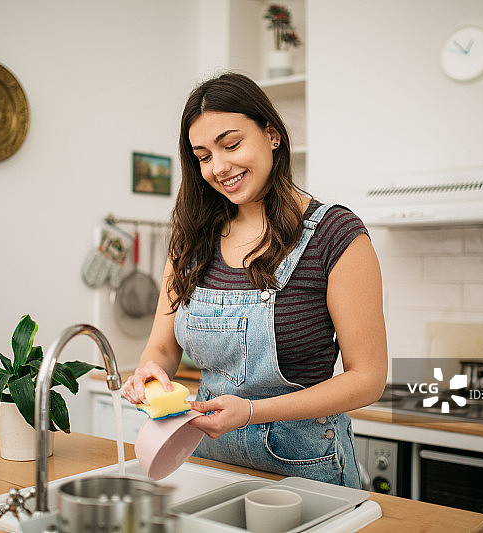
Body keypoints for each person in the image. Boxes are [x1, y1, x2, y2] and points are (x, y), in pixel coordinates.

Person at [122, 72, 387, 487]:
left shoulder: (335, 235)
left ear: (272, 134)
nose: (219, 167)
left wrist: (250, 412)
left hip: (304, 468)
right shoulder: (191, 240)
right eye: (203, 156)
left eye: (231, 144)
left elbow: (367, 379)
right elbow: (161, 345)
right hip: (206, 462)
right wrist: (150, 373)